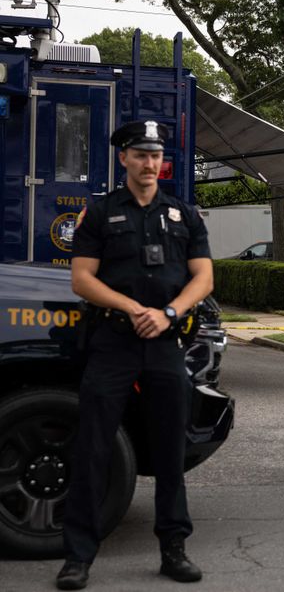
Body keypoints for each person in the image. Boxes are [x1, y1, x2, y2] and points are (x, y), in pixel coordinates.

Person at [57, 121, 213, 590]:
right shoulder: (100, 214)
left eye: (156, 155)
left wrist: (167, 313)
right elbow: (82, 279)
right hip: (114, 344)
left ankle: (173, 550)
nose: (150, 163)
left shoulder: (184, 215)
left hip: (165, 345)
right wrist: (132, 308)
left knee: (169, 451)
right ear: (123, 158)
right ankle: (78, 558)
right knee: (93, 449)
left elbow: (203, 279)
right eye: (140, 154)